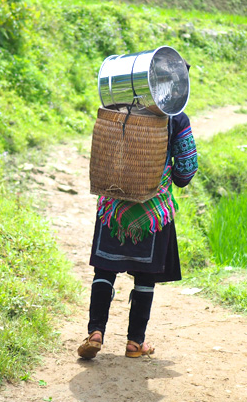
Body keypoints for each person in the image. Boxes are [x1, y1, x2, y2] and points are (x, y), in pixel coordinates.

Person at [78, 110, 198, 359]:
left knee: (104, 270)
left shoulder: (115, 106)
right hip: (151, 209)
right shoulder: (175, 117)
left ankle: (95, 333)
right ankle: (135, 343)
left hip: (113, 206)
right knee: (145, 276)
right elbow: (186, 170)